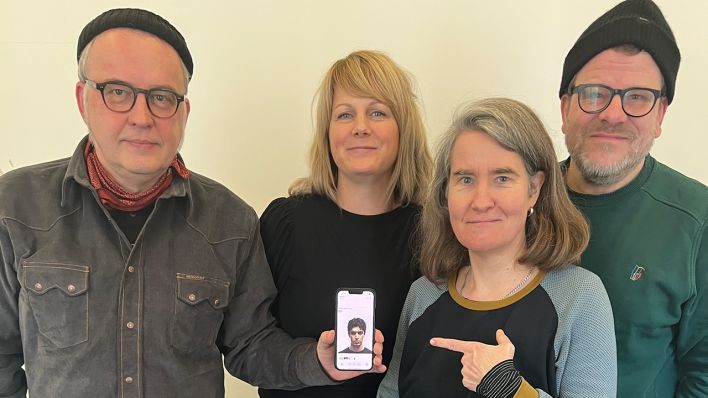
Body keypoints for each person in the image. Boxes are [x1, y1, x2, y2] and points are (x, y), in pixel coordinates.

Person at [0, 8, 385, 397]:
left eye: (162, 98)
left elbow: (249, 345)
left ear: (183, 112)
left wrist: (316, 360)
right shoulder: (15, 207)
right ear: (84, 99)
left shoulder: (231, 222)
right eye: (118, 92)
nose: (142, 116)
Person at [378, 98, 616, 398]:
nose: (480, 201)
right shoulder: (423, 294)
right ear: (446, 193)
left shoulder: (579, 296)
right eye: (465, 179)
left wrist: (507, 387)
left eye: (502, 178)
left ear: (534, 189)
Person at [258, 50, 432, 398]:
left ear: (404, 129)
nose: (360, 127)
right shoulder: (284, 224)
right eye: (345, 114)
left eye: (378, 112)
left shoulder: (432, 233)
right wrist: (313, 361)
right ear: (328, 132)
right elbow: (246, 345)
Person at [557, 1, 708, 396]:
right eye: (594, 93)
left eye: (637, 97)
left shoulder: (698, 220)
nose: (613, 114)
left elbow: (703, 373)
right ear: (565, 106)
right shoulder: (513, 200)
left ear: (660, 115)